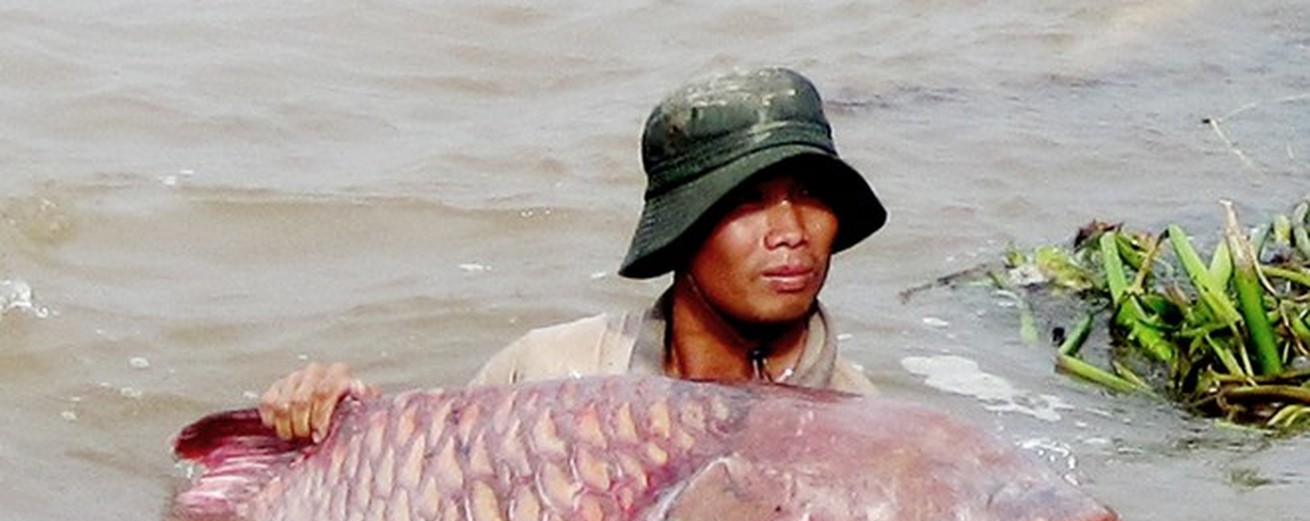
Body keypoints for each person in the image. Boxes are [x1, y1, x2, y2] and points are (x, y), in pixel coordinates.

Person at [259, 67, 887, 442]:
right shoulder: (547, 371)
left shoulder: (867, 431)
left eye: (810, 195)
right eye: (748, 201)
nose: (791, 232)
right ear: (681, 231)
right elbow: (427, 502)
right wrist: (325, 422)